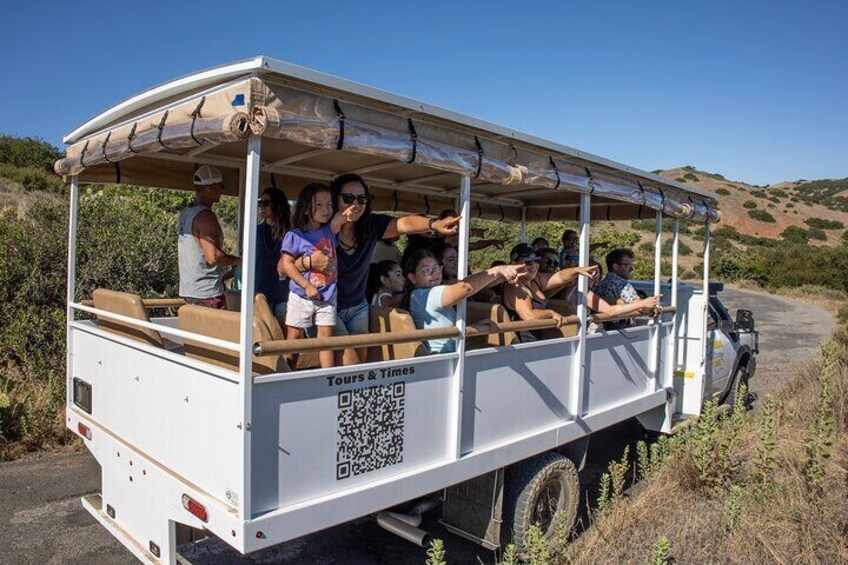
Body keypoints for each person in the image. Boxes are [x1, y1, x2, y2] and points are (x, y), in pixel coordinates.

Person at [322, 174, 462, 366]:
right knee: (350, 365)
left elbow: (402, 224)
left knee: (357, 368)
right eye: (348, 198)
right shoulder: (323, 229)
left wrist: (433, 224)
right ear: (335, 200)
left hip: (357, 307)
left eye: (361, 199)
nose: (356, 204)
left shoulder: (370, 225)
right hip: (328, 306)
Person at [280, 182, 354, 368]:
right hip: (300, 295)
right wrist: (307, 285)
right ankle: (286, 375)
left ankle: (326, 377)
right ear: (306, 208)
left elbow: (341, 218)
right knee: (294, 337)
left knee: (325, 340)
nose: (326, 209)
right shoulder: (294, 236)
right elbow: (287, 265)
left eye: (329, 204)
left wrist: (350, 211)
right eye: (319, 205)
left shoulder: (329, 231)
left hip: (327, 296)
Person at [403, 249, 528, 354]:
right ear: (412, 277)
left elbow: (443, 329)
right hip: (443, 360)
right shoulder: (426, 295)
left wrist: (503, 276)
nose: (434, 273)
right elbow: (465, 287)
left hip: (449, 356)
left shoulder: (420, 295)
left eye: (436, 268)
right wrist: (497, 270)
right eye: (426, 270)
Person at [502, 243, 598, 341]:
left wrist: (578, 270)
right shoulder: (517, 288)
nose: (534, 265)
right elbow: (529, 316)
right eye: (528, 262)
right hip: (527, 345)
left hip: (541, 340)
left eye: (537, 260)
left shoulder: (535, 280)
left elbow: (560, 277)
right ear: (513, 265)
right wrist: (550, 313)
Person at [178, 165, 241, 309]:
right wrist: (238, 261)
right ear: (212, 187)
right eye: (221, 186)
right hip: (208, 294)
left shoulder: (186, 213)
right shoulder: (206, 217)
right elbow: (213, 257)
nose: (221, 191)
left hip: (190, 291)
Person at [401, 209, 505, 268]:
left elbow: (471, 246)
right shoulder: (420, 243)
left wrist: (490, 242)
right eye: (451, 223)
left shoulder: (438, 242)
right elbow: (449, 238)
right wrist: (472, 232)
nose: (455, 227)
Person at [255, 187, 291, 326]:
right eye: (260, 203)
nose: (262, 207)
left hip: (284, 293)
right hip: (260, 293)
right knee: (264, 336)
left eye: (266, 203)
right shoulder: (256, 231)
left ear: (276, 204)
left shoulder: (290, 232)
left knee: (285, 337)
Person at [596, 248, 641, 329]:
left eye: (631, 265)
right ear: (615, 266)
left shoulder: (601, 284)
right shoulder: (623, 285)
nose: (631, 268)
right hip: (624, 334)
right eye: (627, 265)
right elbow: (640, 306)